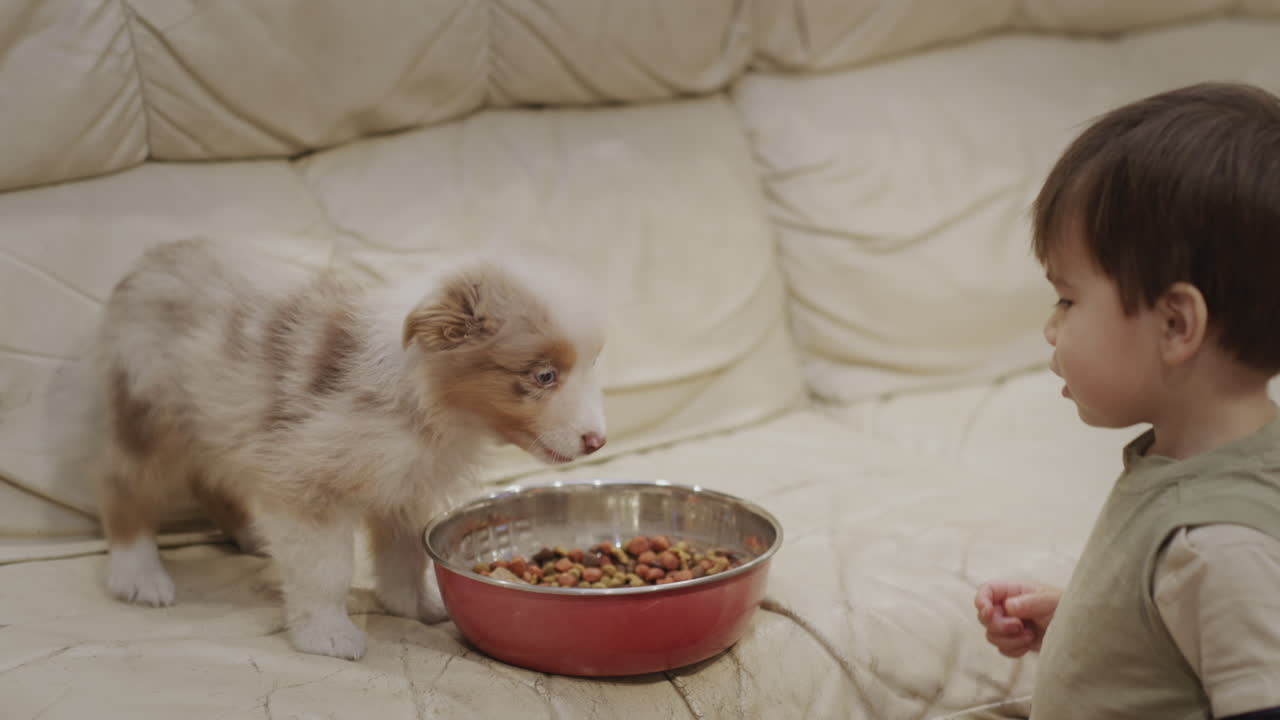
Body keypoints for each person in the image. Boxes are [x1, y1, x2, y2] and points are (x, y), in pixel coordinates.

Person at [974, 82, 1280, 719]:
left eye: (1067, 298)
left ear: (1175, 325)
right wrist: (1087, 628)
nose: (1051, 328)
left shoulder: (1219, 544)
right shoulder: (1191, 472)